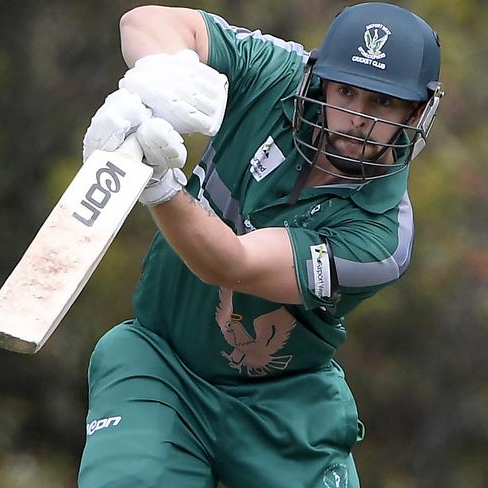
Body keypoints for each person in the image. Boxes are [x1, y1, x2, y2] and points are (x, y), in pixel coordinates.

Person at [78, 2, 444, 486]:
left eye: (380, 103)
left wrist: (161, 186)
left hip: (284, 404)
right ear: (321, 78)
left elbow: (231, 265)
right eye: (346, 91)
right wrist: (165, 71)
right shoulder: (274, 73)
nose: (354, 117)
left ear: (416, 111)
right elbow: (144, 21)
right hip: (161, 364)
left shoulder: (381, 239)